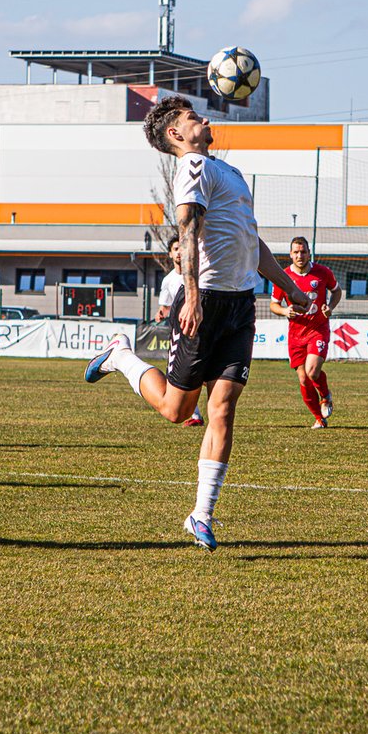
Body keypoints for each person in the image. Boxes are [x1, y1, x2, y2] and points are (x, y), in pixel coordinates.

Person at [84, 96, 312, 550]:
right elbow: (187, 230)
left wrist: (290, 287)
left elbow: (252, 242)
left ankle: (201, 514)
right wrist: (190, 295)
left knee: (223, 407)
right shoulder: (192, 167)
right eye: (193, 117)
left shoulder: (229, 172)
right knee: (177, 410)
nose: (205, 119)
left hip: (240, 305)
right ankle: (121, 357)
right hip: (203, 301)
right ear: (175, 133)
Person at [269, 235, 341, 428]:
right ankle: (319, 418)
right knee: (303, 378)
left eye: (303, 252)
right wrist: (285, 311)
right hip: (296, 334)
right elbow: (274, 305)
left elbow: (337, 291)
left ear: (309, 253)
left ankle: (325, 395)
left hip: (318, 329)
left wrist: (330, 307)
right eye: (296, 252)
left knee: (312, 371)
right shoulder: (283, 277)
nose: (300, 256)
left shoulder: (322, 272)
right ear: (290, 254)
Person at [155, 234, 202, 427]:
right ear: (170, 254)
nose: (179, 253)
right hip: (180, 332)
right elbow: (166, 306)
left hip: (199, 327)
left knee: (202, 374)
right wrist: (161, 313)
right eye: (176, 249)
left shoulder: (197, 275)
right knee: (183, 374)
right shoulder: (168, 280)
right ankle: (195, 415)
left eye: (182, 248)